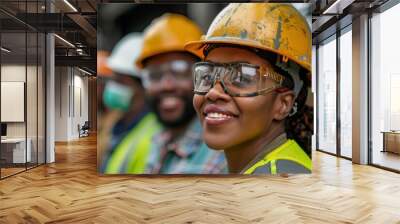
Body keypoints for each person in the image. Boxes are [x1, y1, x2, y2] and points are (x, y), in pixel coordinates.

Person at [185, 3, 312, 174]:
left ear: (283, 104)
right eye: (207, 75)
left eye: (241, 78)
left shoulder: (274, 184)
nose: (213, 92)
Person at [135, 13, 226, 174]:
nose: (166, 85)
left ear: (205, 76)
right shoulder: (159, 141)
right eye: (154, 75)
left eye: (180, 71)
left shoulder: (221, 155)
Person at [102, 33, 161, 174]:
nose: (112, 86)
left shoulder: (152, 135)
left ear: (141, 85)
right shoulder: (120, 122)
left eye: (120, 80)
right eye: (113, 79)